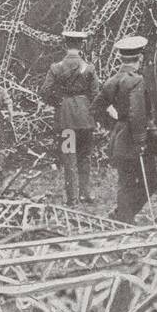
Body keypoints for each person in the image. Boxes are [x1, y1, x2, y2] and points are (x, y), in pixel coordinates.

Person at [92, 36, 157, 223]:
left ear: (122, 59)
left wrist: (115, 122)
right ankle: (124, 217)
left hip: (119, 138)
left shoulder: (112, 80)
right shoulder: (137, 80)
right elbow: (137, 113)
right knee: (151, 182)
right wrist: (141, 141)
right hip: (135, 139)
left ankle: (123, 216)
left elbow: (96, 108)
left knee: (125, 182)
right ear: (140, 58)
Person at [40, 30, 100, 205]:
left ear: (66, 45)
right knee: (85, 156)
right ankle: (86, 194)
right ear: (81, 45)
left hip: (65, 119)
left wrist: (58, 103)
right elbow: (96, 94)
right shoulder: (89, 68)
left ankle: (72, 198)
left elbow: (44, 91)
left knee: (69, 157)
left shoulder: (56, 67)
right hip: (85, 118)